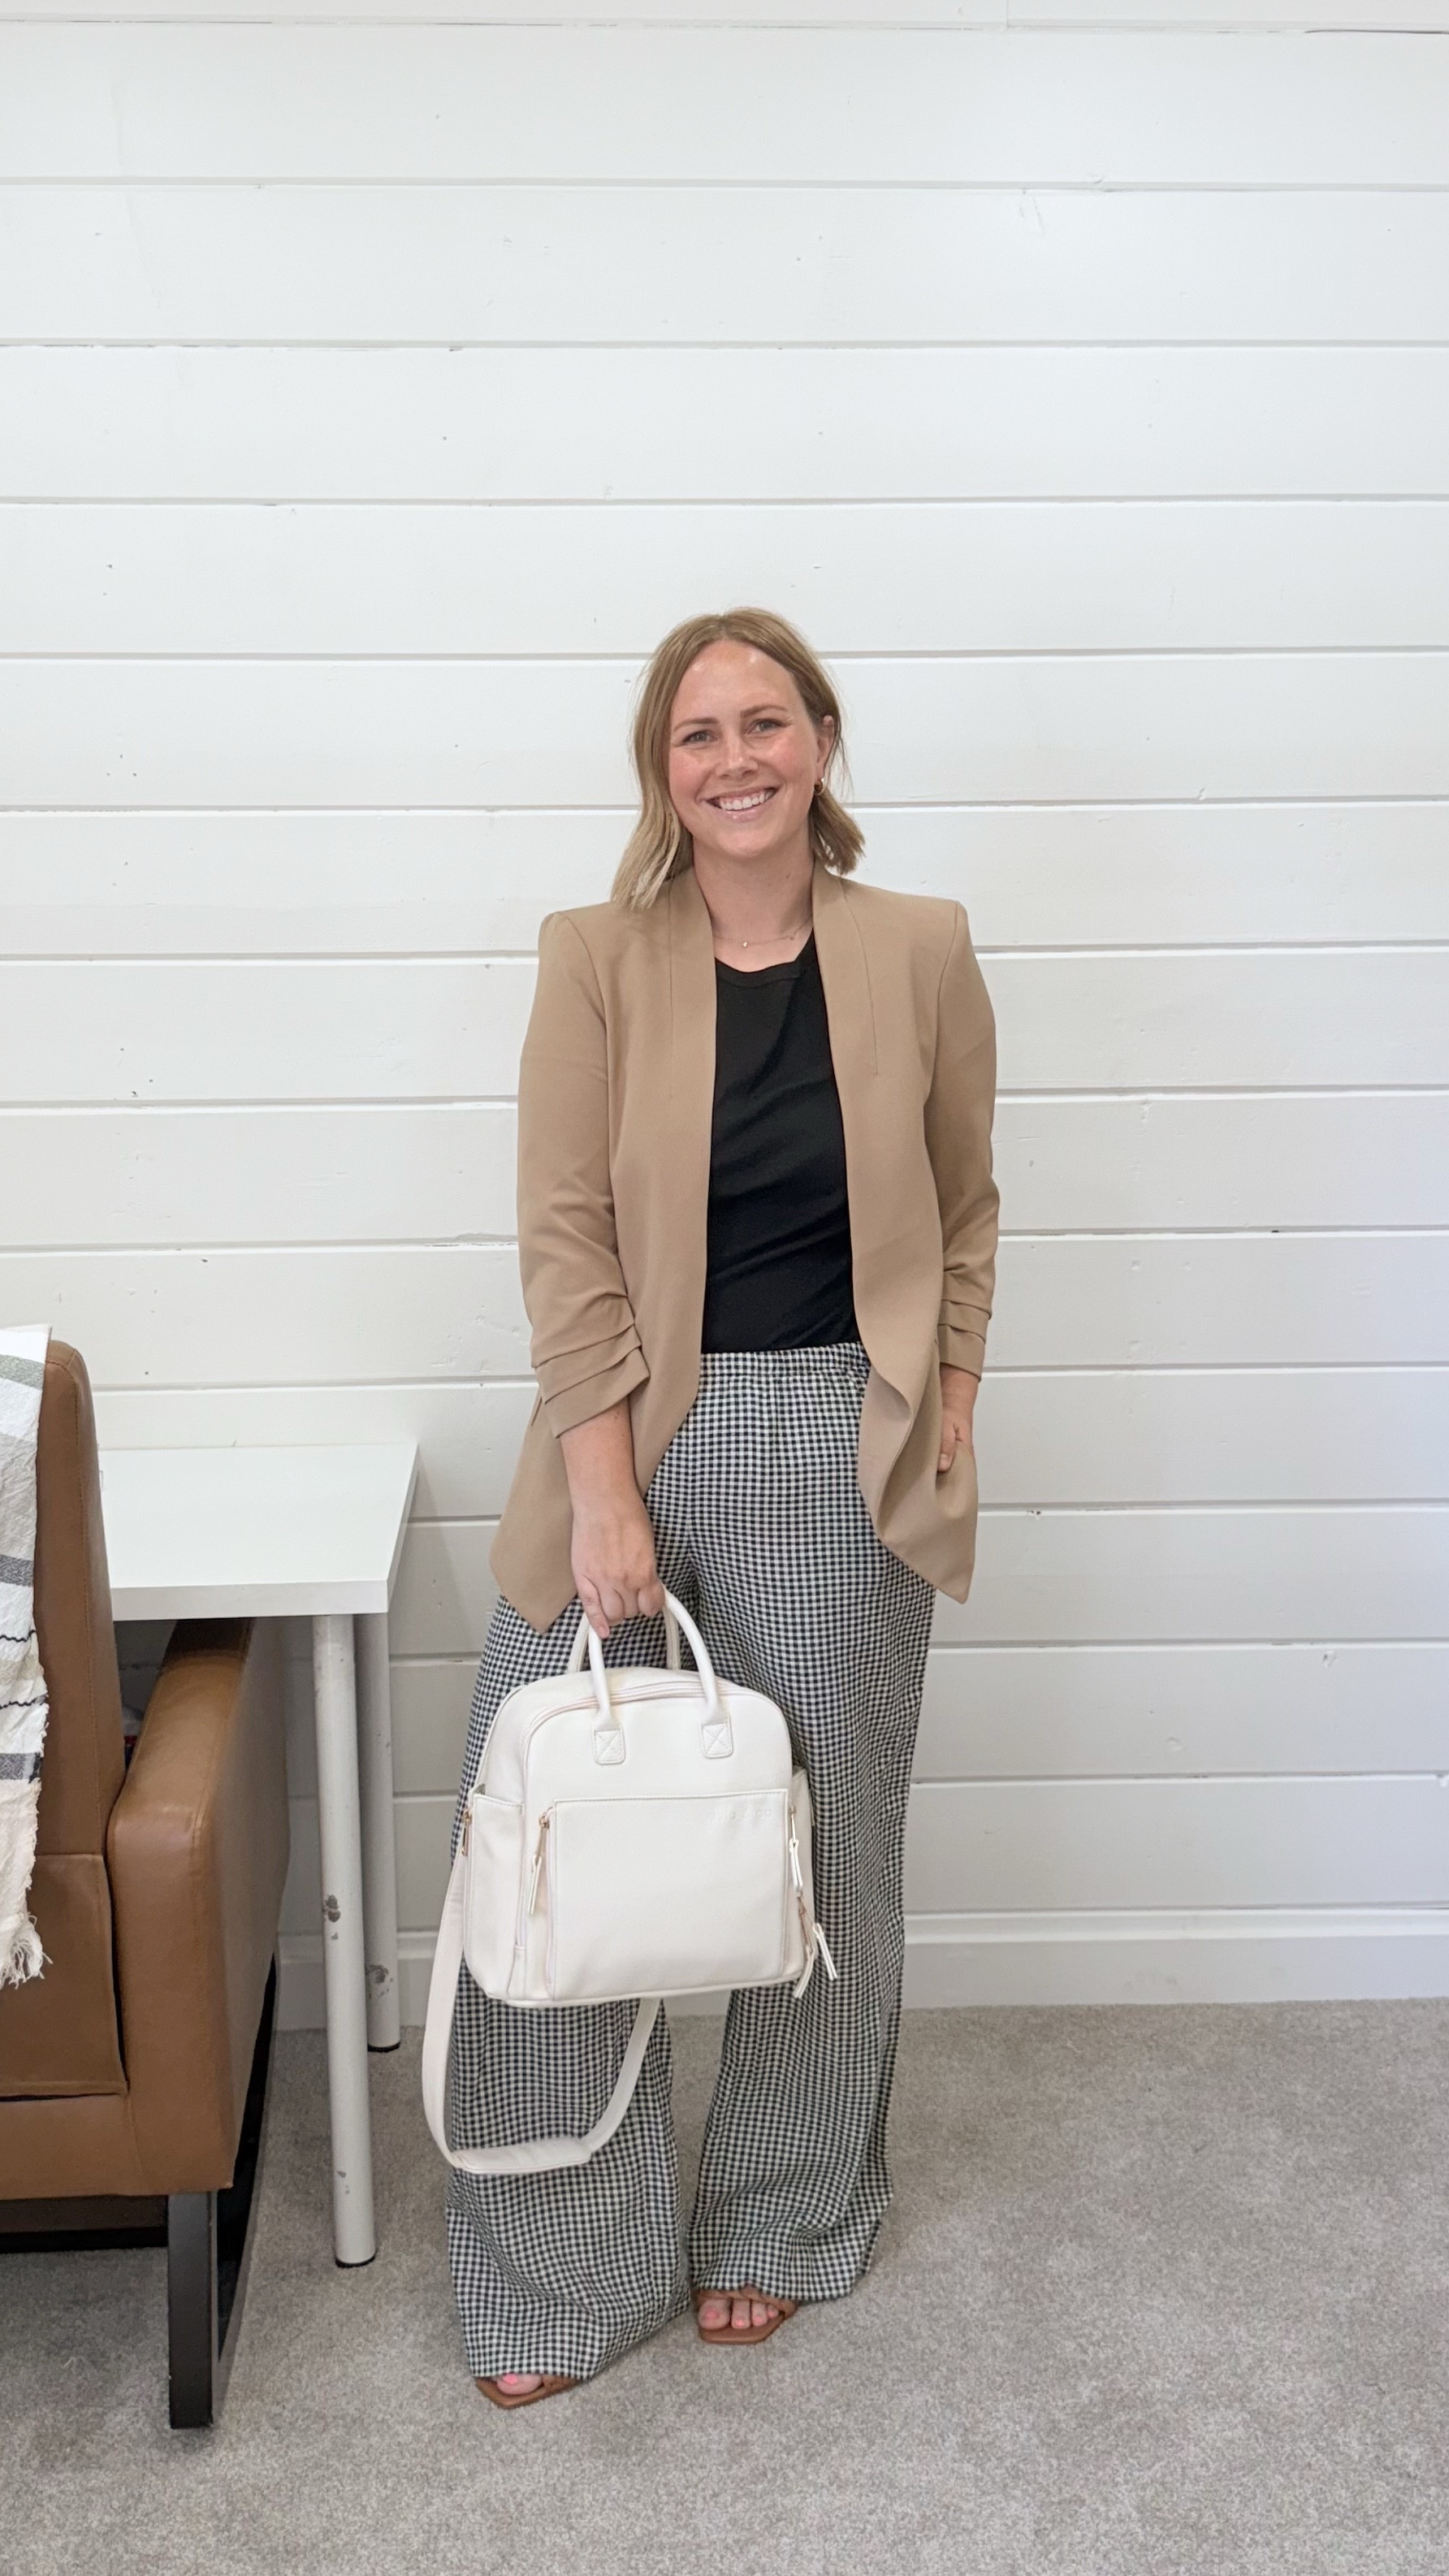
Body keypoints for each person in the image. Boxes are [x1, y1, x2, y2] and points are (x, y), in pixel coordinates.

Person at [446, 607, 998, 2408]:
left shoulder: (916, 948)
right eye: (698, 731)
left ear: (822, 741)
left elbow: (968, 1204)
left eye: (768, 720)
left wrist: (950, 1409)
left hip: (842, 1434)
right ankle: (564, 2268)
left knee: (816, 1859)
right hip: (629, 1427)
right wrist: (605, 1488)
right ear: (659, 768)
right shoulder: (596, 956)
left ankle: (776, 2213)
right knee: (550, 1826)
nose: (736, 756)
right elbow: (564, 1236)